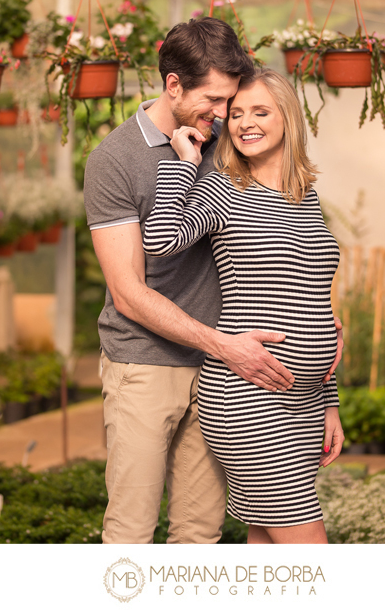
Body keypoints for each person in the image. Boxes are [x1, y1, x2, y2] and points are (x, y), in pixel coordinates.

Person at [83, 17, 342, 544]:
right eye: (219, 101)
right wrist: (225, 346)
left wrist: (323, 338)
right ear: (173, 85)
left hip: (229, 366)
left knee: (201, 536)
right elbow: (131, 291)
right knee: (132, 531)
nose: (228, 115)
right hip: (151, 363)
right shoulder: (116, 160)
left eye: (238, 103)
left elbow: (291, 268)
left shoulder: (232, 143)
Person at [143, 67, 345, 544]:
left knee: (266, 543)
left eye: (260, 111)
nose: (244, 123)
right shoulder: (226, 190)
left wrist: (328, 400)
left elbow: (317, 303)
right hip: (249, 397)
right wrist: (184, 161)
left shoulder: (304, 194)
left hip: (303, 401)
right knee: (308, 555)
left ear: (287, 118)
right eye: (235, 114)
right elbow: (161, 238)